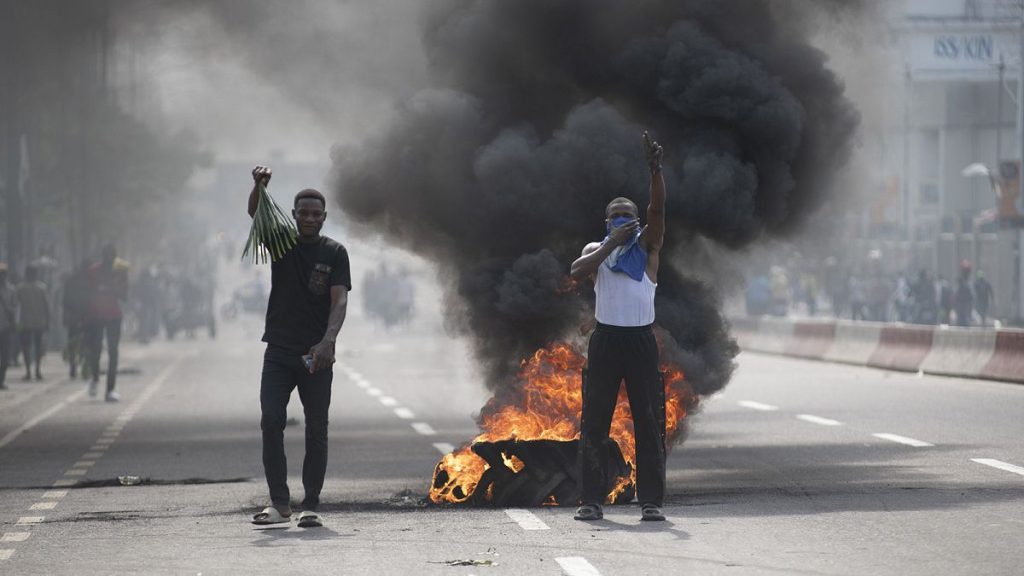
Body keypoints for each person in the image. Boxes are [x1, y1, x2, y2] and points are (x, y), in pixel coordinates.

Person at [569, 132, 667, 522]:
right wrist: (611, 243)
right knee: (595, 422)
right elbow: (576, 271)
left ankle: (651, 502)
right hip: (606, 341)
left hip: (640, 341)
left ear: (637, 221)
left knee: (648, 422)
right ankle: (591, 500)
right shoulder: (597, 251)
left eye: (628, 214)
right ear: (607, 222)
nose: (622, 218)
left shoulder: (648, 248)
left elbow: (658, 209)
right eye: (616, 215)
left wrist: (655, 172)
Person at [247, 165, 351, 529]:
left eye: (315, 214)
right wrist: (259, 186)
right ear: (293, 215)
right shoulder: (282, 243)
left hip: (315, 355)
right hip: (278, 350)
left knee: (316, 429)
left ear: (324, 217)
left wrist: (328, 341)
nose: (309, 218)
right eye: (303, 213)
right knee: (271, 420)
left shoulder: (335, 252)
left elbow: (339, 300)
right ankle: (279, 503)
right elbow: (255, 213)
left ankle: (310, 504)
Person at [86, 244, 129, 402]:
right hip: (96, 315)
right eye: (107, 256)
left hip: (113, 315)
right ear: (103, 257)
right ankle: (95, 378)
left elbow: (125, 295)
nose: (109, 260)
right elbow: (86, 293)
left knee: (113, 352)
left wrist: (113, 289)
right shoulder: (93, 271)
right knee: (95, 350)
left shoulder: (120, 272)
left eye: (112, 257)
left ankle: (110, 389)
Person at [17, 265, 49, 381]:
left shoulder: (20, 288)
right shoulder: (42, 287)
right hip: (39, 321)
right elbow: (46, 306)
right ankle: (37, 370)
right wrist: (48, 321)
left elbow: (16, 305)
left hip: (25, 322)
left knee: (26, 347)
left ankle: (28, 371)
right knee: (38, 347)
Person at [0, 263, 17, 390]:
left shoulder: (11, 290)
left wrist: (14, 323)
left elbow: (15, 308)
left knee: (5, 356)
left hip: (6, 327)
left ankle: (1, 380)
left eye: (3, 273)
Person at [954, 260, 974, 327]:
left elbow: (971, 294)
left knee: (966, 318)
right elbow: (956, 292)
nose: (966, 273)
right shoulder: (959, 281)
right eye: (965, 271)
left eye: (967, 271)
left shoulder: (969, 282)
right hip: (960, 302)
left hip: (967, 302)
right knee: (960, 318)